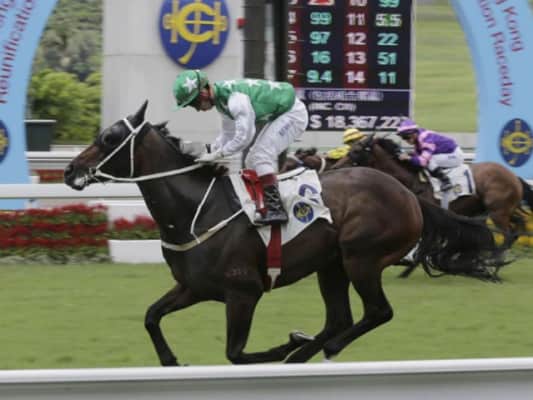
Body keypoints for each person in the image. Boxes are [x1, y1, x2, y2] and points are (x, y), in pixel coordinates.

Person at [172, 69, 309, 224]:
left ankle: (276, 209)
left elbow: (244, 137)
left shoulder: (235, 101)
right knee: (251, 161)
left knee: (261, 155)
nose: (197, 109)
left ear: (203, 93)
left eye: (194, 104)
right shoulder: (222, 100)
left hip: (293, 114)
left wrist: (219, 154)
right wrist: (208, 151)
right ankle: (261, 206)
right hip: (282, 113)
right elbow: (228, 135)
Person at [396, 118, 464, 192]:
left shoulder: (426, 139)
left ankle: (445, 181)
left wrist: (409, 158)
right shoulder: (418, 138)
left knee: (429, 160)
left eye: (406, 137)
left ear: (414, 133)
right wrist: (409, 155)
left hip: (455, 156)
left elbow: (423, 161)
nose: (405, 140)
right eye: (403, 137)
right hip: (446, 154)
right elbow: (417, 155)